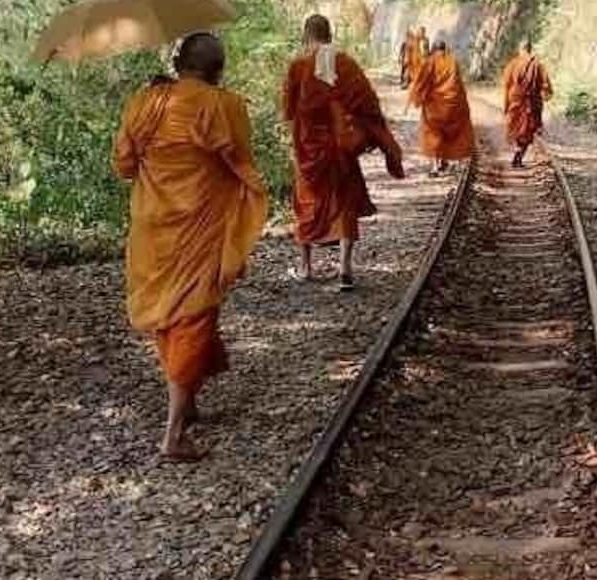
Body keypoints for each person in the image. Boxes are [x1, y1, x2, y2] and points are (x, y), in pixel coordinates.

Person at [112, 33, 268, 461]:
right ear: (217, 69)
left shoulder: (143, 103)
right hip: (199, 229)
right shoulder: (223, 105)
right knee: (194, 315)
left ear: (179, 64)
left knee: (169, 315)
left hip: (152, 227)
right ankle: (173, 434)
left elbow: (124, 166)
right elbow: (239, 164)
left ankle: (190, 403)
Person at [283, 14, 405, 290]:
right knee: (345, 201)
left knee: (306, 202)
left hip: (309, 148)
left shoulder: (299, 66)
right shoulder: (345, 63)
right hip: (341, 145)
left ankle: (306, 268)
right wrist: (368, 132)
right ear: (330, 35)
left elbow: (289, 111)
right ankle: (345, 268)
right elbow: (368, 104)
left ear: (306, 35)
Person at [409, 38, 474, 177]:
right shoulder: (453, 62)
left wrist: (417, 98)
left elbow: (421, 82)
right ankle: (443, 160)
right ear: (445, 49)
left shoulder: (430, 62)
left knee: (433, 134)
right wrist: (462, 103)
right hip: (452, 105)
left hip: (434, 106)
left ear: (433, 49)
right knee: (447, 133)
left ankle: (435, 166)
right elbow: (458, 85)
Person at [502, 39, 553, 168]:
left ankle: (517, 153)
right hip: (531, 103)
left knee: (517, 130)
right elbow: (545, 84)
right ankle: (519, 154)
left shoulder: (512, 64)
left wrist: (506, 104)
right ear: (530, 49)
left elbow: (506, 86)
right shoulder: (537, 65)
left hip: (516, 101)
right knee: (527, 130)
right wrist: (547, 93)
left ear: (521, 49)